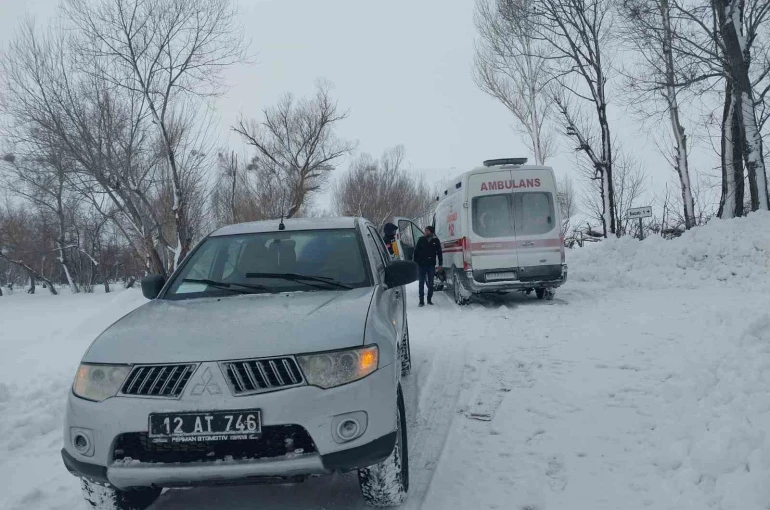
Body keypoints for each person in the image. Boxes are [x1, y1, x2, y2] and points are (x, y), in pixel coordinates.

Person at [412, 225, 443, 307]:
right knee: (421, 283)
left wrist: (440, 264)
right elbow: (416, 251)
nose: (426, 232)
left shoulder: (436, 240)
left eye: (427, 231)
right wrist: (414, 262)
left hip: (431, 265)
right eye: (425, 231)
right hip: (421, 265)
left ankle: (429, 299)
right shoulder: (421, 240)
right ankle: (421, 301)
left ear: (431, 232)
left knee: (431, 283)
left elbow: (439, 252)